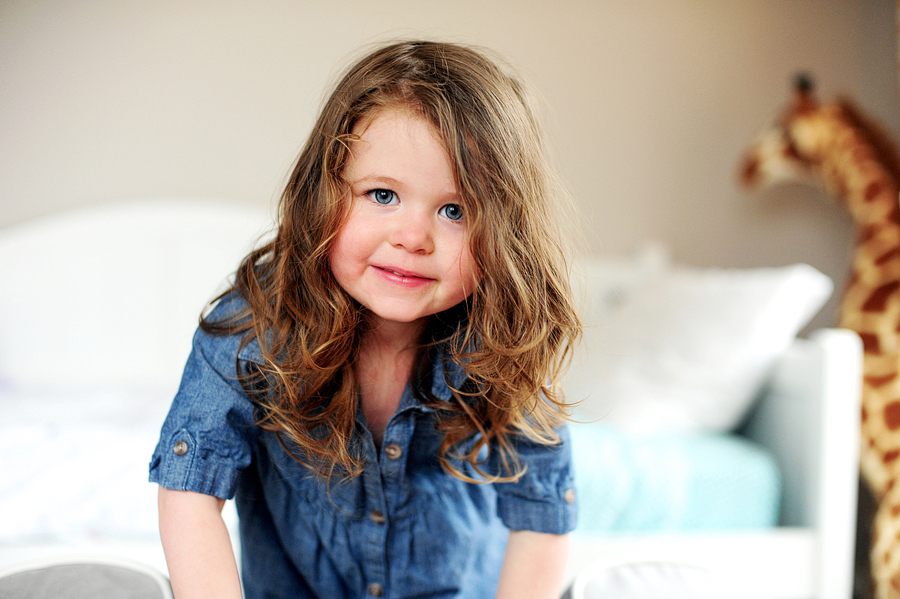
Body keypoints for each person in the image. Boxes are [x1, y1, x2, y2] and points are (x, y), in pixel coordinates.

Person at [149, 40, 581, 599]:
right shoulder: (251, 328)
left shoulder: (508, 341)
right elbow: (189, 493)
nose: (413, 237)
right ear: (322, 194)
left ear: (506, 231)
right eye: (382, 195)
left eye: (455, 210)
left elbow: (542, 519)